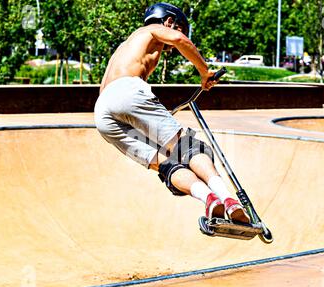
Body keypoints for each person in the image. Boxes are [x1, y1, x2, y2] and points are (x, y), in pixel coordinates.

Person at [94, 2, 250, 224]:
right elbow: (180, 40)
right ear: (169, 21)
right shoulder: (150, 30)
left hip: (103, 114)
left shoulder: (124, 47)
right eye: (179, 27)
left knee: (166, 164)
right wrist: (204, 72)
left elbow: (117, 101)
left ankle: (208, 198)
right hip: (127, 91)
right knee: (189, 148)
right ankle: (228, 200)